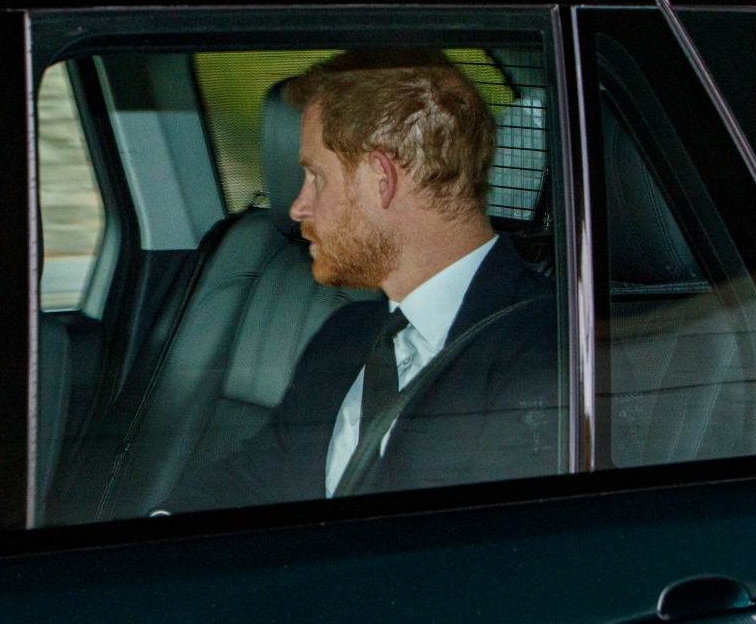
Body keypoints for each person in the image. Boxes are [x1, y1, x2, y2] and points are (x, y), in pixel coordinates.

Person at [159, 50, 559, 512]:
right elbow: (255, 478)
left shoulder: (547, 352)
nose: (298, 206)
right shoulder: (345, 335)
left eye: (315, 177)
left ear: (381, 179)